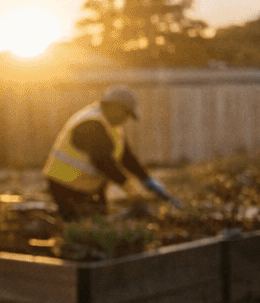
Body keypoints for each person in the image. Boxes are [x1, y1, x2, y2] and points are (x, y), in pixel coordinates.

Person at [43, 84, 179, 221]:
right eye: (127, 113)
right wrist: (129, 187)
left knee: (99, 221)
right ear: (116, 107)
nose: (127, 119)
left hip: (88, 186)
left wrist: (146, 179)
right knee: (84, 225)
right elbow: (102, 161)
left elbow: (126, 158)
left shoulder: (112, 126)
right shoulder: (91, 123)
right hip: (65, 184)